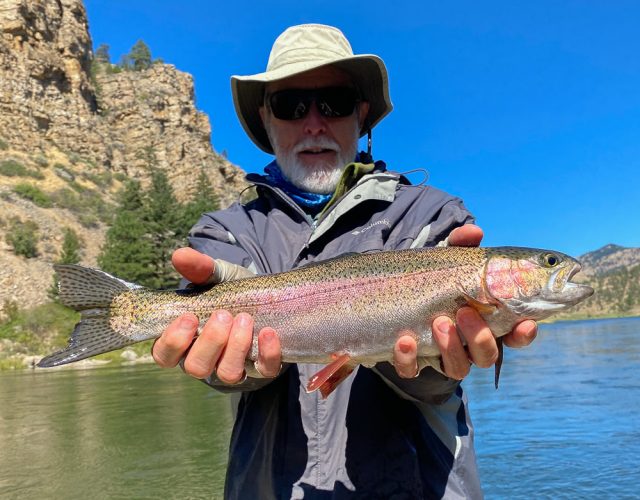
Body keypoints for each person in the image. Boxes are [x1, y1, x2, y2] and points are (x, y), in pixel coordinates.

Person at [152, 24, 537, 499]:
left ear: (361, 114)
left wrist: (433, 364)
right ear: (266, 119)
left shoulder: (432, 216)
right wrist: (226, 363)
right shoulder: (226, 231)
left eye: (332, 102)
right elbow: (226, 373)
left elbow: (438, 384)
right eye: (291, 105)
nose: (314, 123)